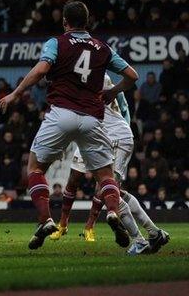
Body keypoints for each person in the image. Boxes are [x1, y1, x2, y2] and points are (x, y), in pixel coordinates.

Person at [0, 1, 139, 250]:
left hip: (61, 113)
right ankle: (113, 212)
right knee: (105, 175)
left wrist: (15, 94)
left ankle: (46, 220)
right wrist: (112, 91)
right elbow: (132, 76)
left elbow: (41, 70)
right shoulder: (102, 48)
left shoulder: (57, 42)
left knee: (35, 167)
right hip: (93, 119)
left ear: (65, 21)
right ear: (87, 22)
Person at [50, 74, 169, 255]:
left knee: (110, 193)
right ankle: (154, 233)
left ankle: (139, 240)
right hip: (103, 139)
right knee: (116, 192)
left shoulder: (92, 78)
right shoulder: (90, 78)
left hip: (115, 138)